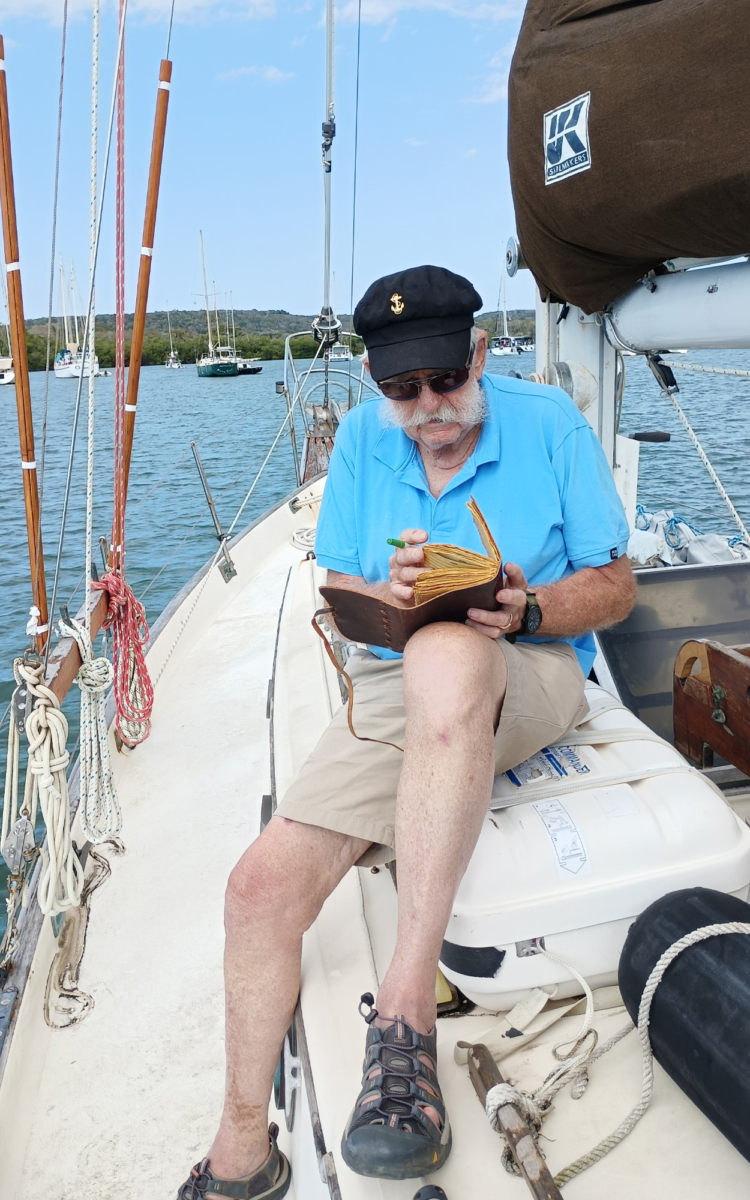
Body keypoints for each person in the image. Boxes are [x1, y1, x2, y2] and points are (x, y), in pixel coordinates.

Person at [177, 265, 636, 1197]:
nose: (428, 408)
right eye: (402, 388)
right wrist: (382, 594)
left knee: (452, 655)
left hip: (532, 663)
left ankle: (404, 1014)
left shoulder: (550, 424)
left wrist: (531, 607)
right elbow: (337, 584)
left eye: (445, 380)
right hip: (399, 677)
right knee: (257, 890)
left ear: (480, 355)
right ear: (376, 382)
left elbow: (617, 585)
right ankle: (240, 1153)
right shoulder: (360, 439)